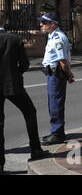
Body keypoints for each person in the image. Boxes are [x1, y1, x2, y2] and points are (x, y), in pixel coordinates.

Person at [0, 11, 49, 174]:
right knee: (29, 112)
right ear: (4, 21)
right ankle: (35, 149)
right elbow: (25, 64)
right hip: (12, 84)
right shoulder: (14, 39)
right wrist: (15, 73)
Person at [38, 13, 75, 146]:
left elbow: (63, 60)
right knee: (53, 103)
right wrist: (69, 74)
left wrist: (68, 74)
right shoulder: (52, 36)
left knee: (55, 104)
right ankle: (57, 131)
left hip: (56, 75)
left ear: (52, 24)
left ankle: (57, 134)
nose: (41, 24)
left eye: (44, 22)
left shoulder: (58, 38)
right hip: (53, 74)